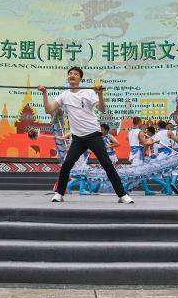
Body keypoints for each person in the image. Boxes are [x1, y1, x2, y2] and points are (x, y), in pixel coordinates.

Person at [40, 67, 133, 204]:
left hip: (93, 135)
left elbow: (102, 108)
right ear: (68, 77)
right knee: (67, 164)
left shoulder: (88, 92)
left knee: (107, 163)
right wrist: (44, 93)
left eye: (76, 74)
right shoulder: (64, 95)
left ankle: (122, 195)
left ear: (80, 78)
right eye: (70, 74)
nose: (72, 75)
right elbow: (49, 110)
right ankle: (59, 193)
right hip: (77, 138)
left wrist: (100, 94)